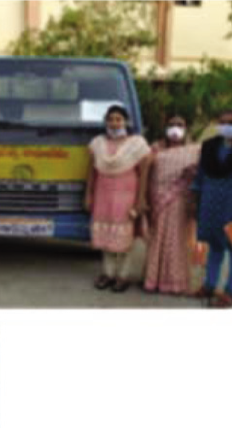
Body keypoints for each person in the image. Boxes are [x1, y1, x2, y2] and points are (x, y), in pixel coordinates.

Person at [85, 104, 152, 293]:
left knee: (124, 239)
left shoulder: (137, 144)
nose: (114, 123)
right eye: (111, 119)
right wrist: (88, 194)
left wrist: (140, 200)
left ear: (126, 122)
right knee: (105, 238)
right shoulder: (97, 143)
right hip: (103, 196)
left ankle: (123, 276)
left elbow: (144, 174)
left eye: (118, 119)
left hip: (127, 197)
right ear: (105, 122)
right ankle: (107, 273)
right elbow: (91, 172)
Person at [144, 115, 201, 295]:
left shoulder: (194, 150)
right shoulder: (155, 148)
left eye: (180, 125)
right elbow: (147, 173)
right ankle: (154, 279)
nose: (175, 128)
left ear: (186, 129)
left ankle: (175, 282)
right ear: (165, 127)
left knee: (176, 242)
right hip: (157, 200)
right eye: (171, 124)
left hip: (180, 202)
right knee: (158, 240)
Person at [192, 109, 232, 308]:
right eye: (223, 122)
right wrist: (195, 197)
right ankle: (210, 285)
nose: (227, 126)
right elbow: (201, 174)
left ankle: (230, 291)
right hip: (212, 202)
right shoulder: (209, 146)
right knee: (215, 246)